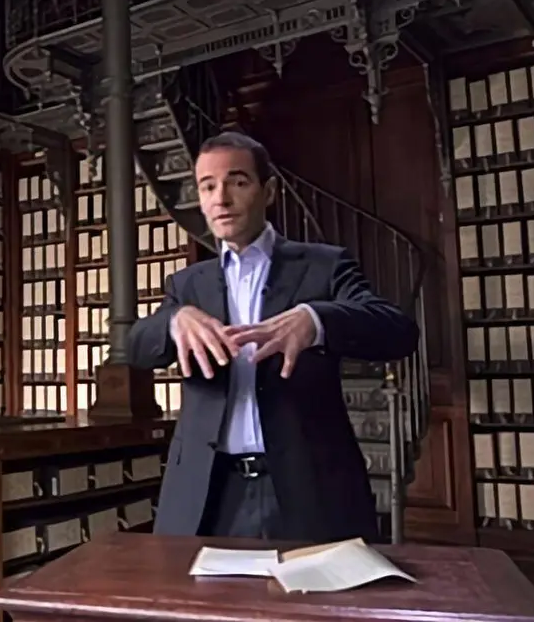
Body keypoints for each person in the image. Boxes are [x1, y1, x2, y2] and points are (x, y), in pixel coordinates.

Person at [127, 131, 419, 541]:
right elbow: (135, 348)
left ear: (268, 191)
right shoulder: (187, 285)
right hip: (209, 493)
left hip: (307, 492)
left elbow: (398, 331)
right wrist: (173, 320)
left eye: (237, 182)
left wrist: (315, 320)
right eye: (207, 186)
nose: (221, 198)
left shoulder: (324, 265)